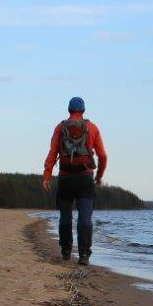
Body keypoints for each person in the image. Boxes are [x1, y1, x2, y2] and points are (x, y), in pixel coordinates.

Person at [42, 96, 107, 265]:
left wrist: (47, 175)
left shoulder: (60, 127)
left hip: (65, 178)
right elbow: (103, 156)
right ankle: (84, 255)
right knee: (85, 217)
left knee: (65, 216)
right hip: (85, 178)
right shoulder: (92, 128)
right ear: (83, 110)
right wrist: (99, 177)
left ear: (69, 110)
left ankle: (65, 251)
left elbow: (53, 152)